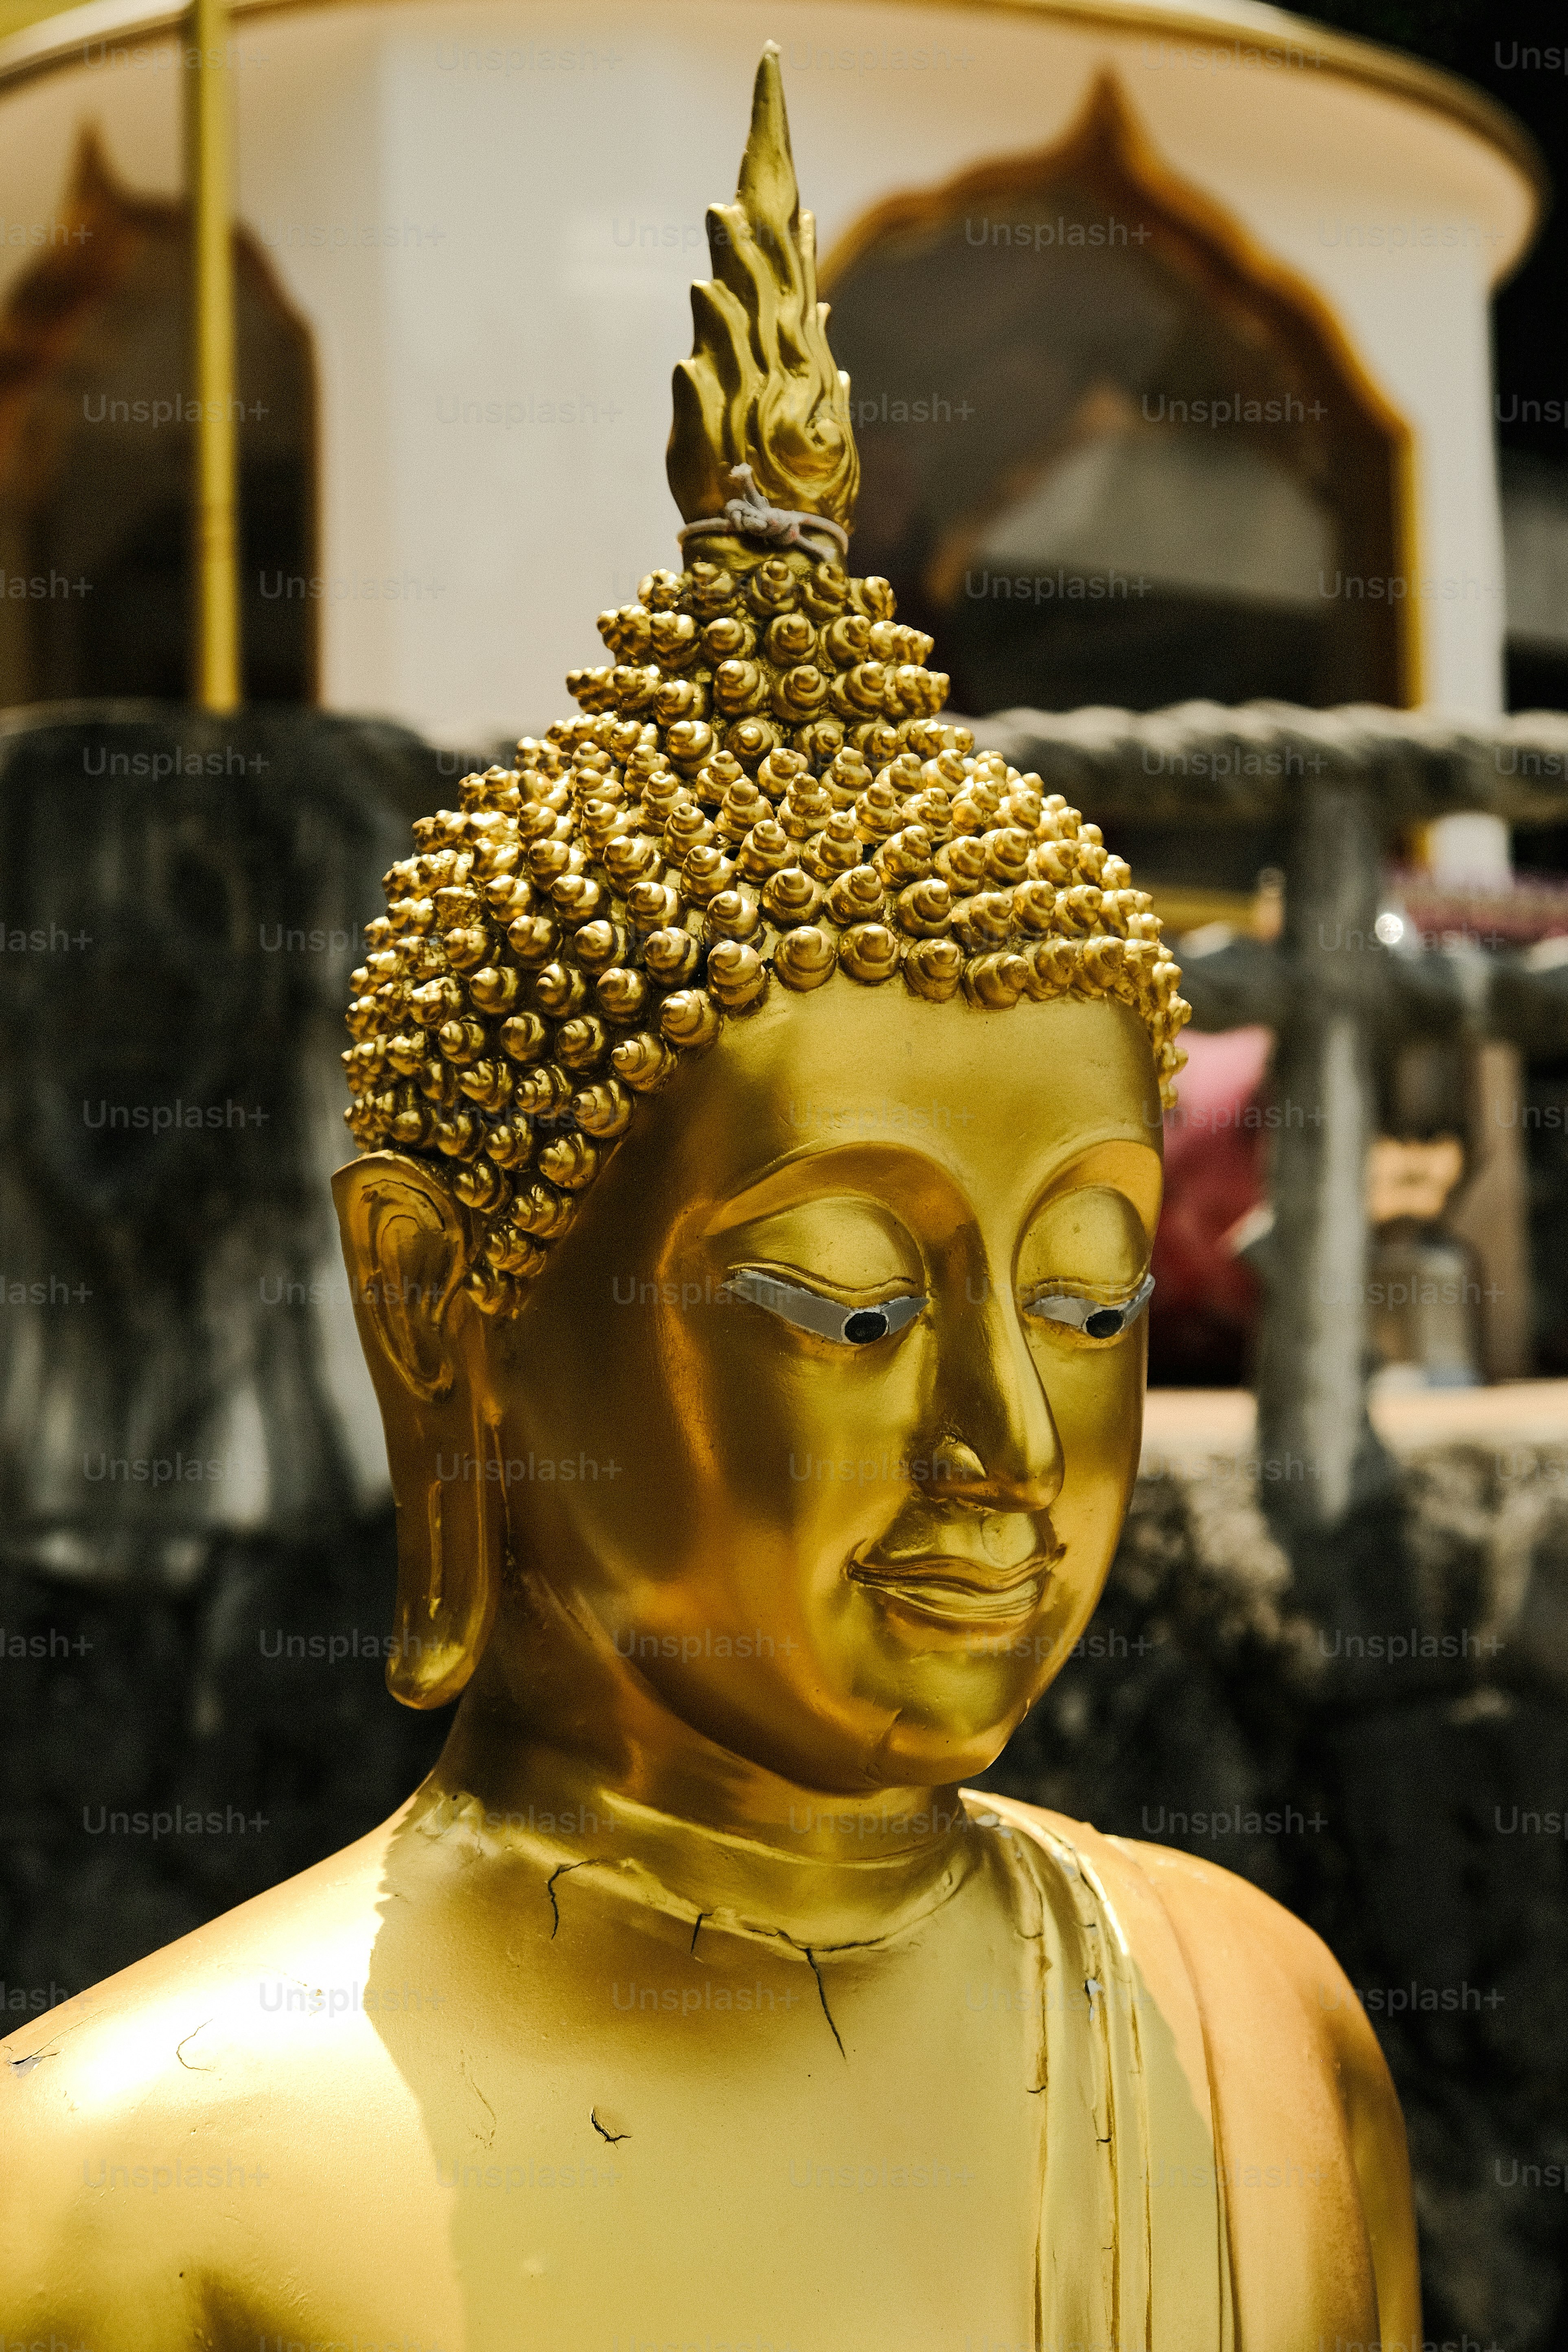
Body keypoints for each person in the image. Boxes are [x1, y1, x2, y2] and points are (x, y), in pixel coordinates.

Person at [1, 49, 1416, 2352]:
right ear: (445, 1307)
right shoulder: (124, 2199)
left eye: (1083, 1303)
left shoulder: (1257, 2036)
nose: (1005, 1448)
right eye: (849, 1302)